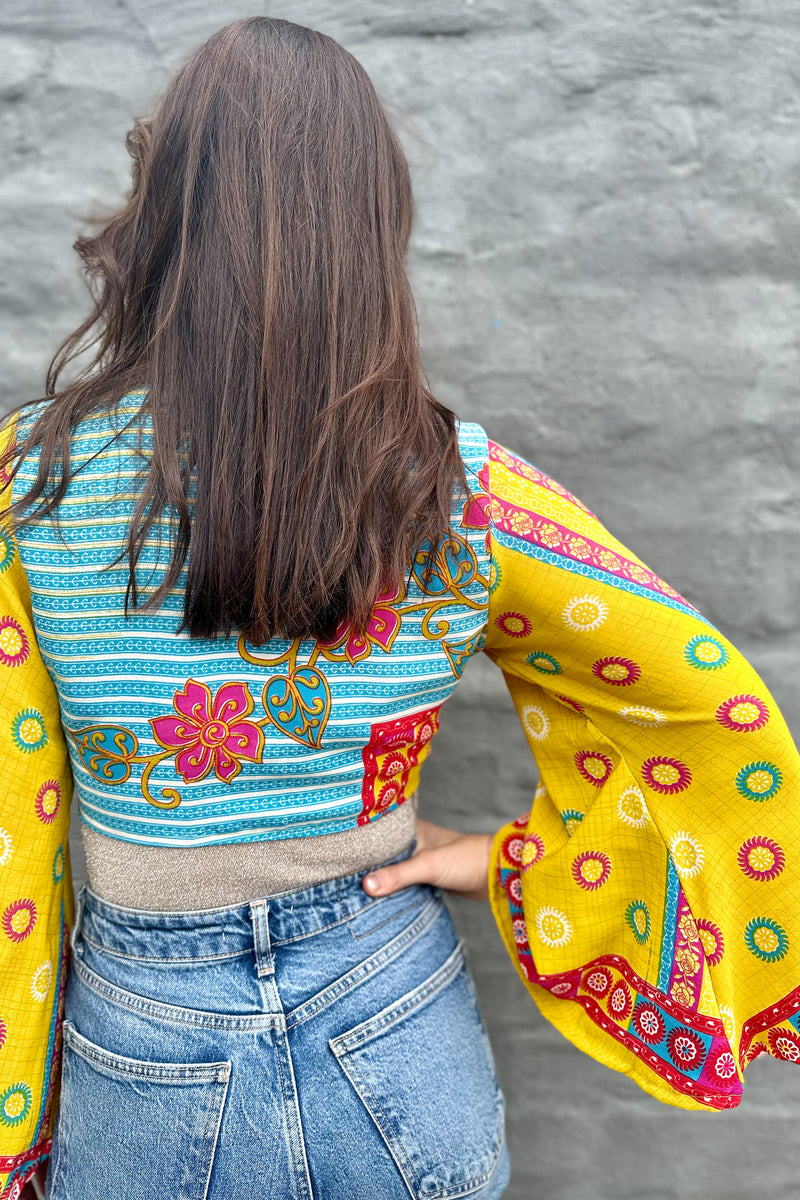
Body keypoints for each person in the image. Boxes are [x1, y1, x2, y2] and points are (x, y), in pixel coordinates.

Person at [1, 15, 798, 1200]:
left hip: (141, 1044)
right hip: (390, 1012)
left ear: (161, 210)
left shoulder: (28, 483)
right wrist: (526, 865)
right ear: (372, 230)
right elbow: (705, 704)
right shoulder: (459, 488)